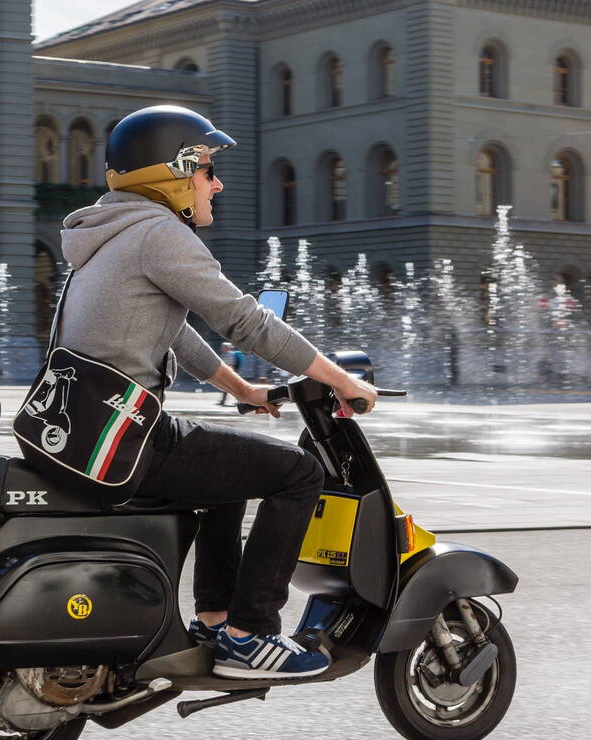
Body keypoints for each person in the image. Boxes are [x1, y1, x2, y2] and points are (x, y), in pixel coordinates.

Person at [53, 105, 376, 680]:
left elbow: (172, 329)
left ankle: (215, 618)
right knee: (299, 472)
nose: (216, 181)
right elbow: (248, 323)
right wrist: (341, 380)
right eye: (205, 167)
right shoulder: (158, 235)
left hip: (78, 432)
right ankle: (251, 635)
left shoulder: (109, 237)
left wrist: (244, 388)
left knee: (229, 471)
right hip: (124, 441)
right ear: (172, 172)